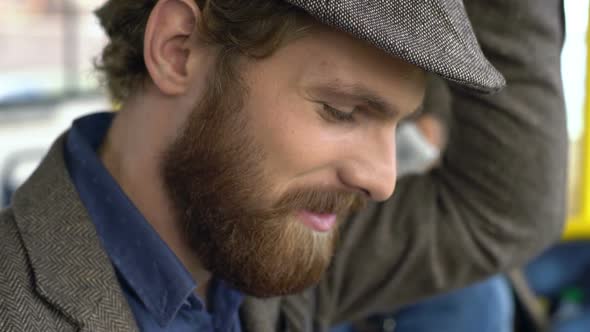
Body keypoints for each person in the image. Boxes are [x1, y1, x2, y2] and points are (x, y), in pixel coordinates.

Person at [0, 1, 566, 332]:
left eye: (395, 123)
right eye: (342, 111)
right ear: (178, 49)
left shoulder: (261, 255)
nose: (383, 179)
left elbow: (502, 208)